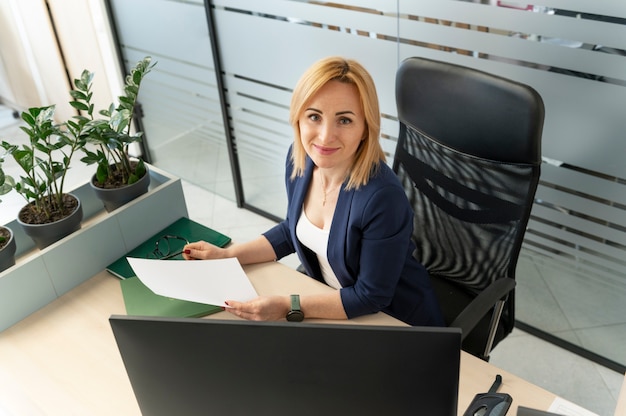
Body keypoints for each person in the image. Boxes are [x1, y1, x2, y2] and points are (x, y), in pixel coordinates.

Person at [183, 56, 443, 327]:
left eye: (344, 120)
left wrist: (289, 306)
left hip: (392, 320)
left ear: (366, 128)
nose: (324, 136)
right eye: (314, 116)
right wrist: (229, 255)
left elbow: (371, 296)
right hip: (330, 301)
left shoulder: (381, 197)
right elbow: (291, 229)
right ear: (298, 118)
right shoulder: (301, 161)